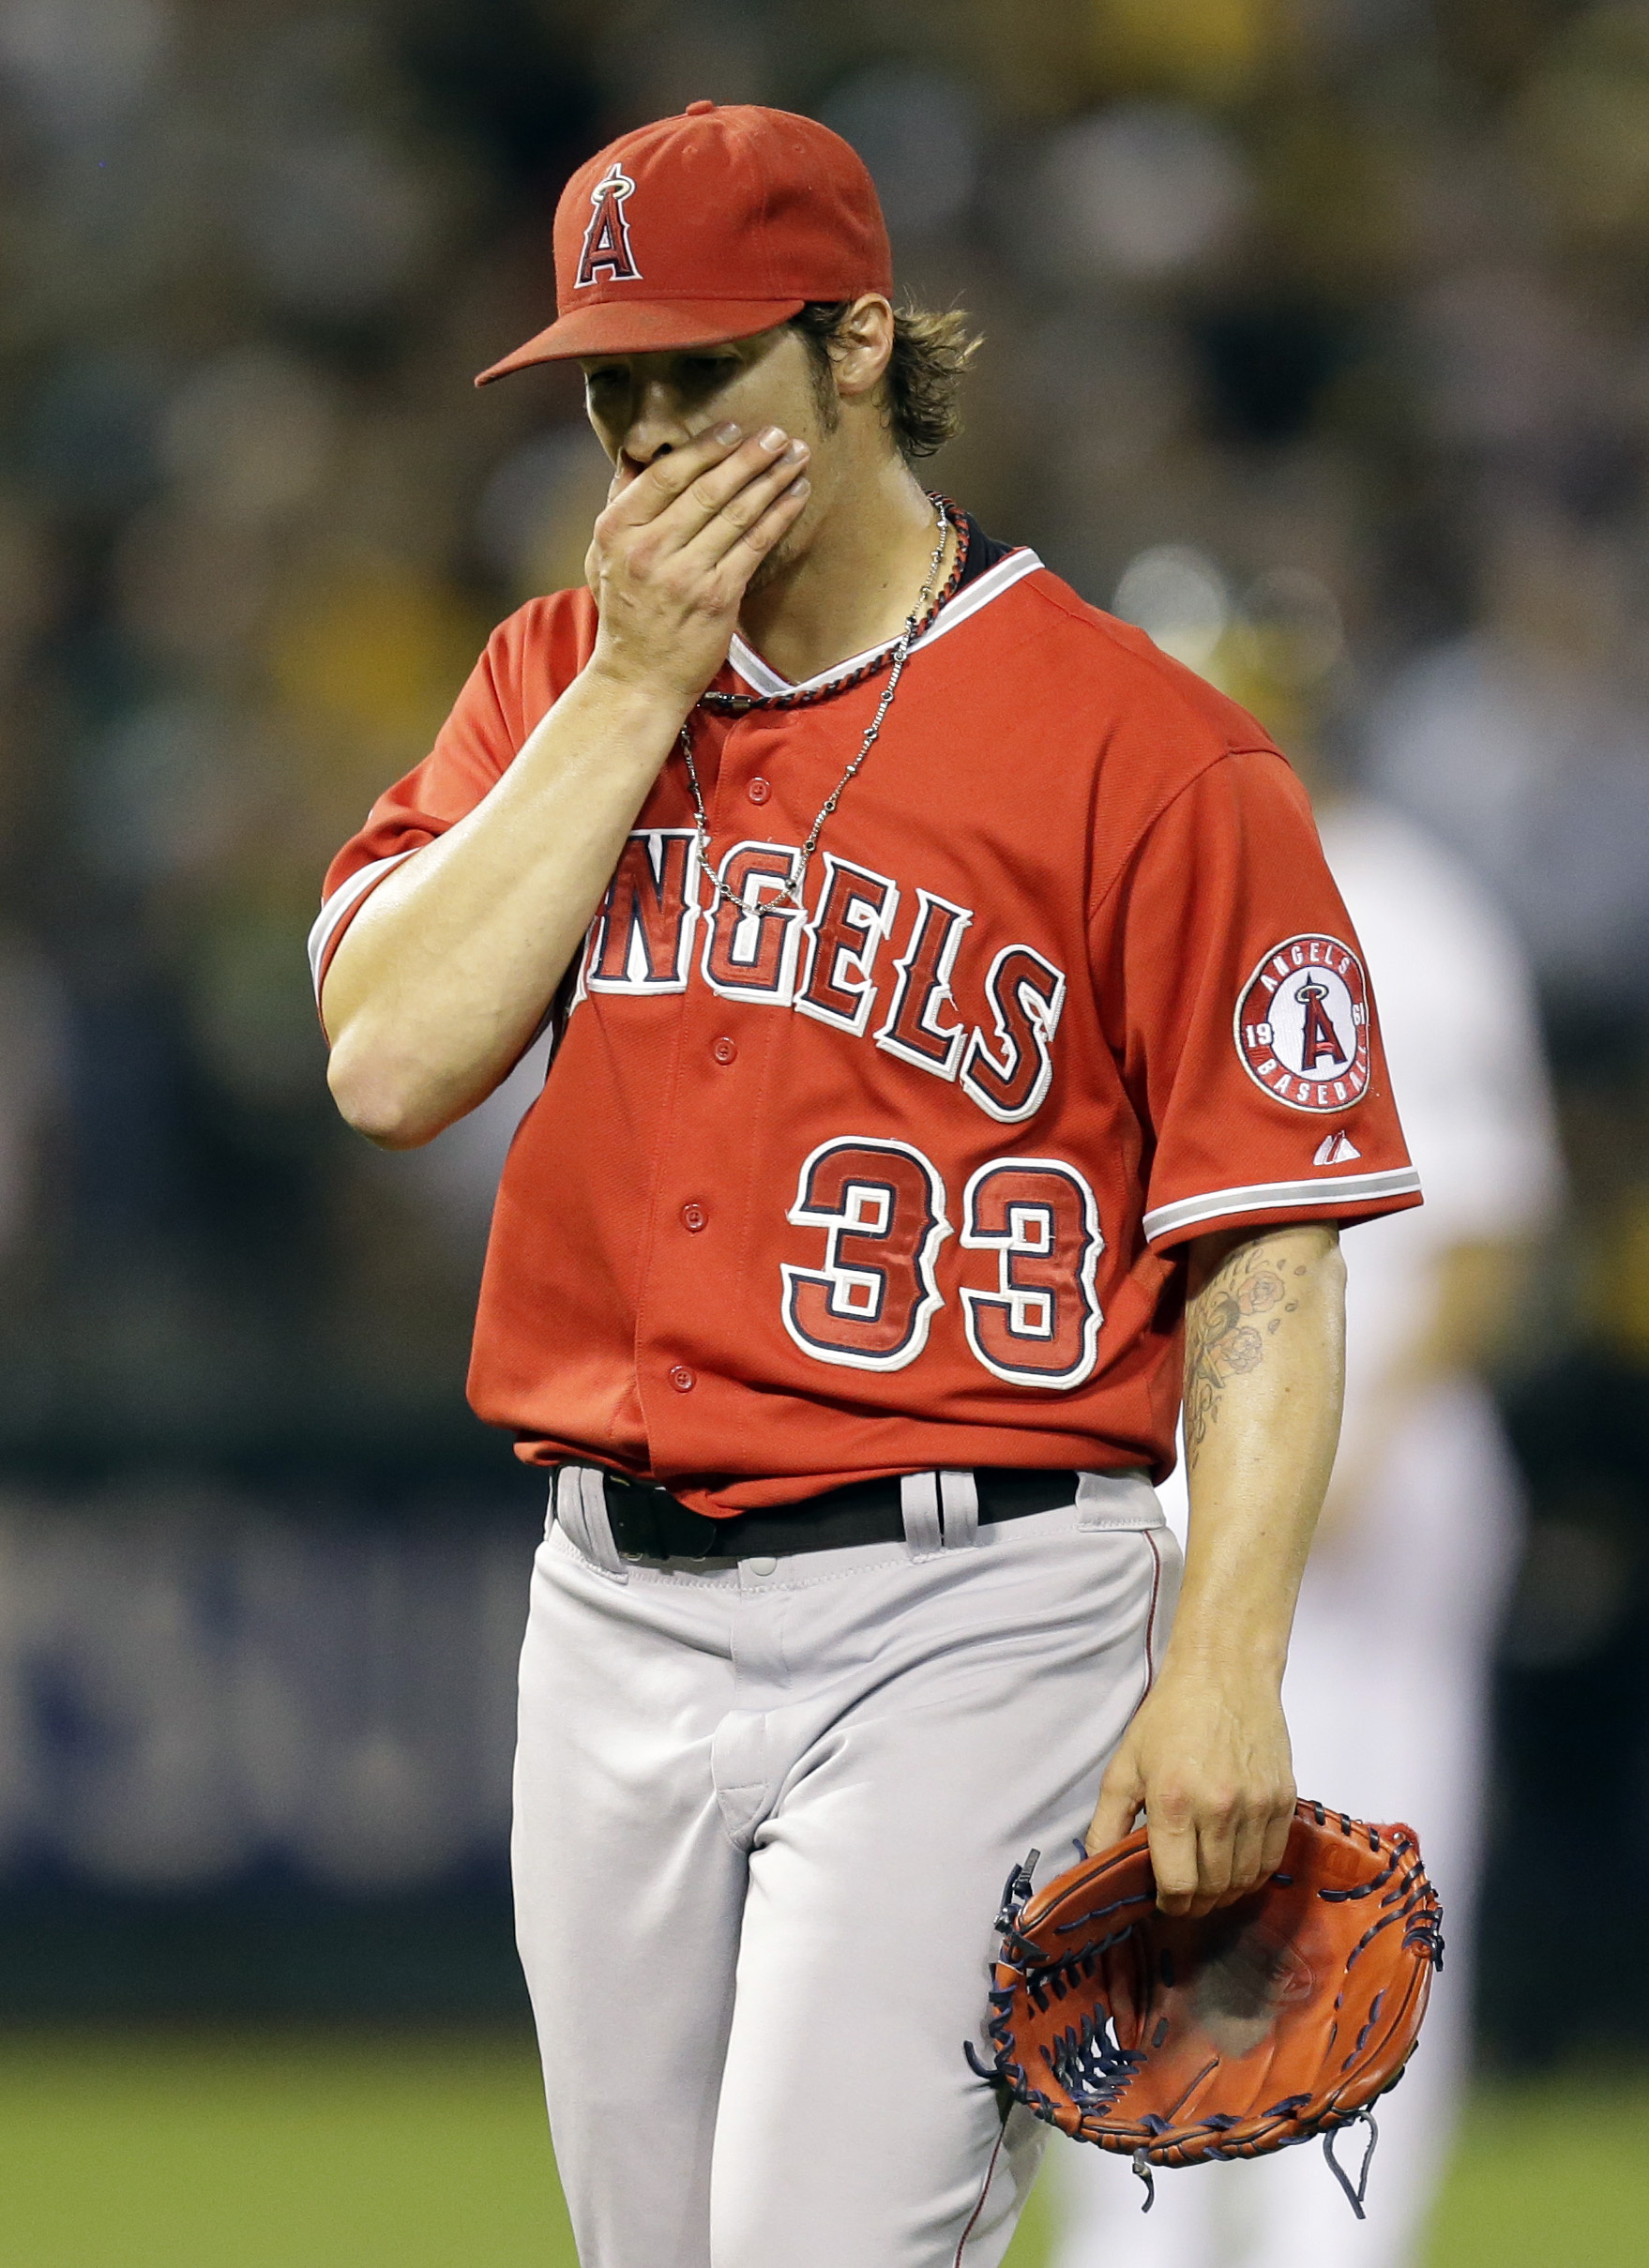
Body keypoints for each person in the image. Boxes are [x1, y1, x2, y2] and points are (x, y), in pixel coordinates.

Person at [311, 103, 1419, 2268]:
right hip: (608, 1607)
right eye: (610, 389)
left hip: (975, 1604)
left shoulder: (1148, 749)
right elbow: (391, 1057)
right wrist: (634, 681)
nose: (645, 441)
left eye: (698, 373)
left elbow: (1269, 1261)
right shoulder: (555, 683)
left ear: (857, 343)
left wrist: (1227, 1661)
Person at [1051, 757, 1562, 2268]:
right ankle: (1133, 2232)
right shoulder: (1109, 875)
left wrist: (1358, 1448)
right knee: (1137, 1879)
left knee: (1364, 1880)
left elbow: (1482, 1225)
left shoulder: (1403, 905)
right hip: (1163, 1460)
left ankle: (1334, 2241)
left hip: (1374, 1473)